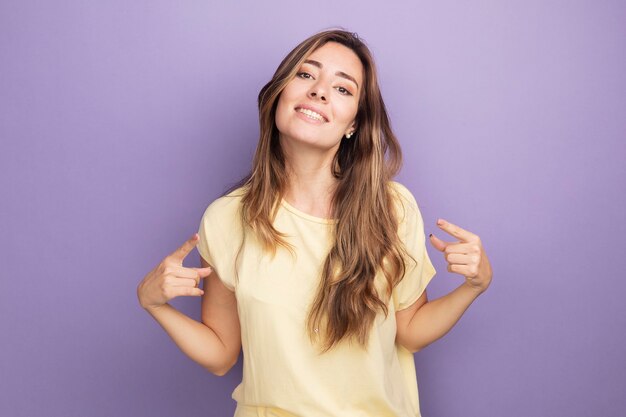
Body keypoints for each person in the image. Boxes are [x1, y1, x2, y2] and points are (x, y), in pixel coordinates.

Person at [137, 29, 493, 417]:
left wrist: (474, 286)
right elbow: (222, 353)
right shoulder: (227, 218)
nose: (320, 91)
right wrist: (155, 304)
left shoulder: (391, 208)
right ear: (279, 94)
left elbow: (410, 331)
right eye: (306, 75)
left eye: (343, 89)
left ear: (353, 124)